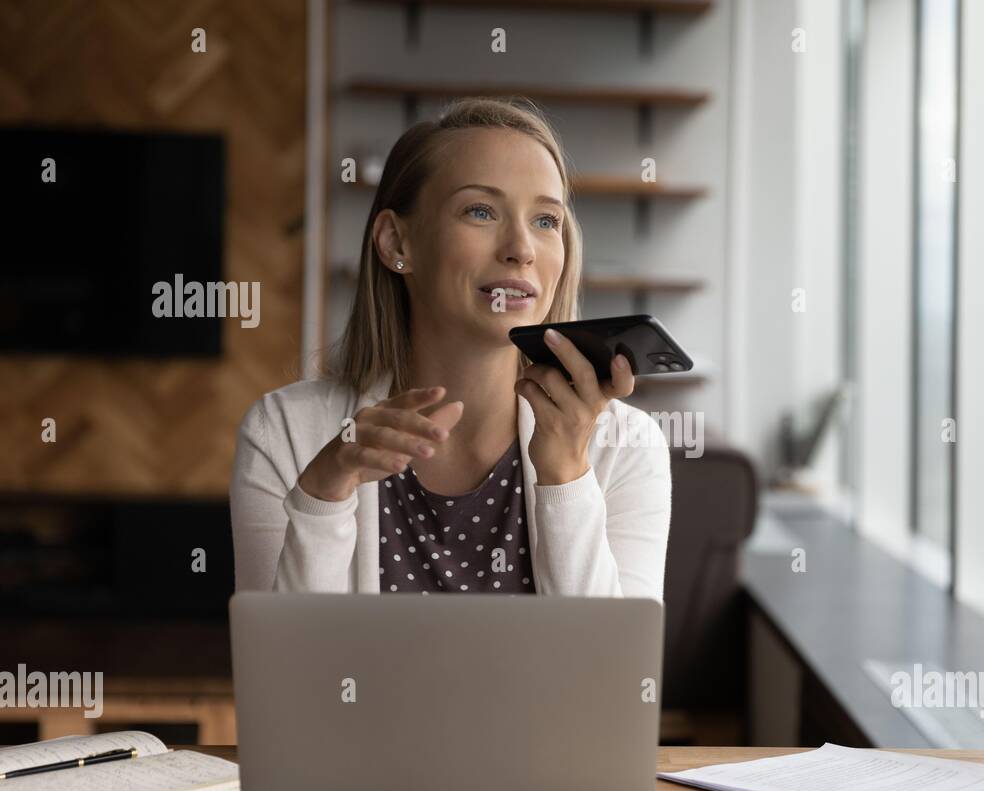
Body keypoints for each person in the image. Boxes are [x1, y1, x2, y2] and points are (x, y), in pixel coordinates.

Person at [230, 98, 672, 600]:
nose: (521, 249)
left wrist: (566, 476)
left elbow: (611, 652)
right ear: (396, 242)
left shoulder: (628, 446)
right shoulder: (283, 433)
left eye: (546, 221)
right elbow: (284, 651)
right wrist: (322, 500)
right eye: (480, 211)